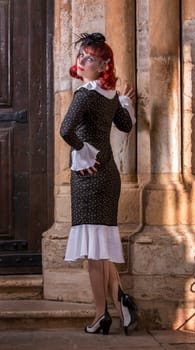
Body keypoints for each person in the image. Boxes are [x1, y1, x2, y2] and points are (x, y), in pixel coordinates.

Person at [60, 32, 137, 336]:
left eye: (89, 58)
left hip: (89, 178)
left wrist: (84, 152)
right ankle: (121, 301)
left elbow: (66, 130)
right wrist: (127, 99)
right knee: (100, 248)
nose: (81, 61)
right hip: (109, 177)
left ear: (103, 65)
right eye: (81, 55)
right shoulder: (110, 96)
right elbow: (126, 125)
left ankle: (100, 315)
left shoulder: (85, 94)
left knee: (95, 254)